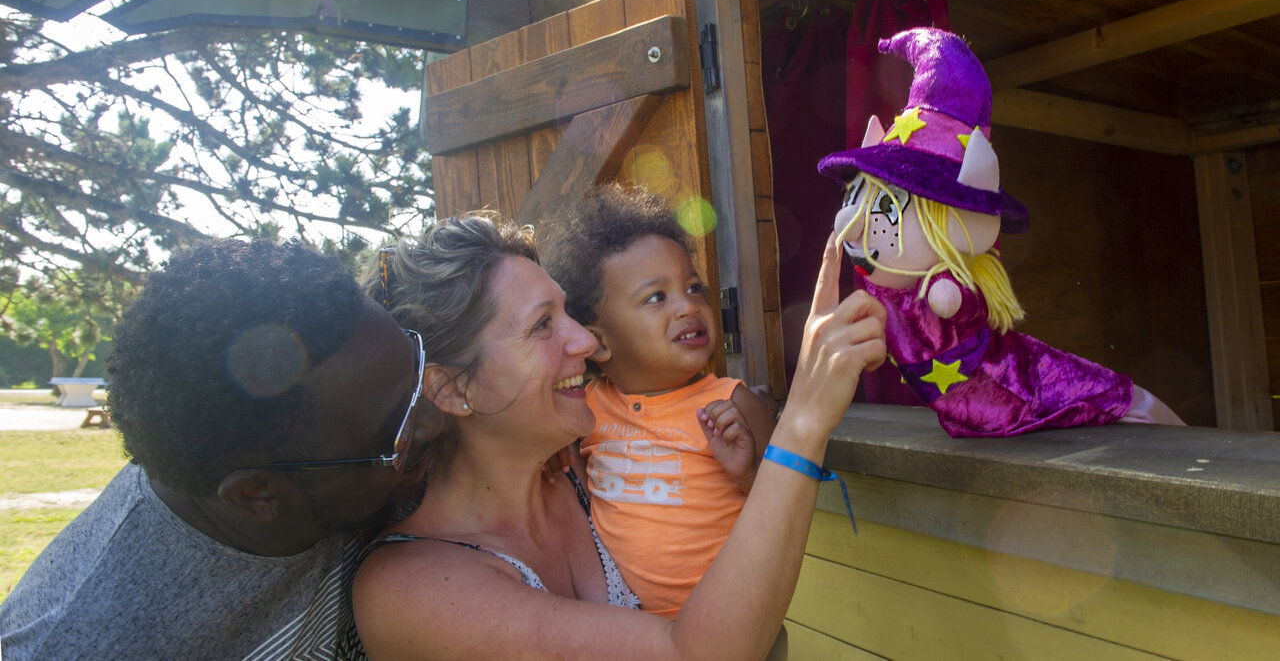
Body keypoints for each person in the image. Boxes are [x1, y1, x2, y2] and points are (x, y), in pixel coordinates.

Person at [355, 210, 886, 660]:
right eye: (543, 325)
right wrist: (803, 420)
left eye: (567, 314)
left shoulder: (583, 466)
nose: (586, 341)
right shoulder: (408, 589)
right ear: (450, 389)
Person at [0, 239, 443, 660]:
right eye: (398, 429)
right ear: (258, 495)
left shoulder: (301, 459)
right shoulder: (96, 643)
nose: (435, 421)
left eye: (415, 371)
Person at [541, 183, 776, 617]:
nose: (688, 306)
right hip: (628, 628)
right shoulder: (586, 408)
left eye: (694, 287)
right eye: (656, 297)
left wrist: (747, 474)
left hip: (725, 623)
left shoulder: (732, 404)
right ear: (599, 343)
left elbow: (784, 510)